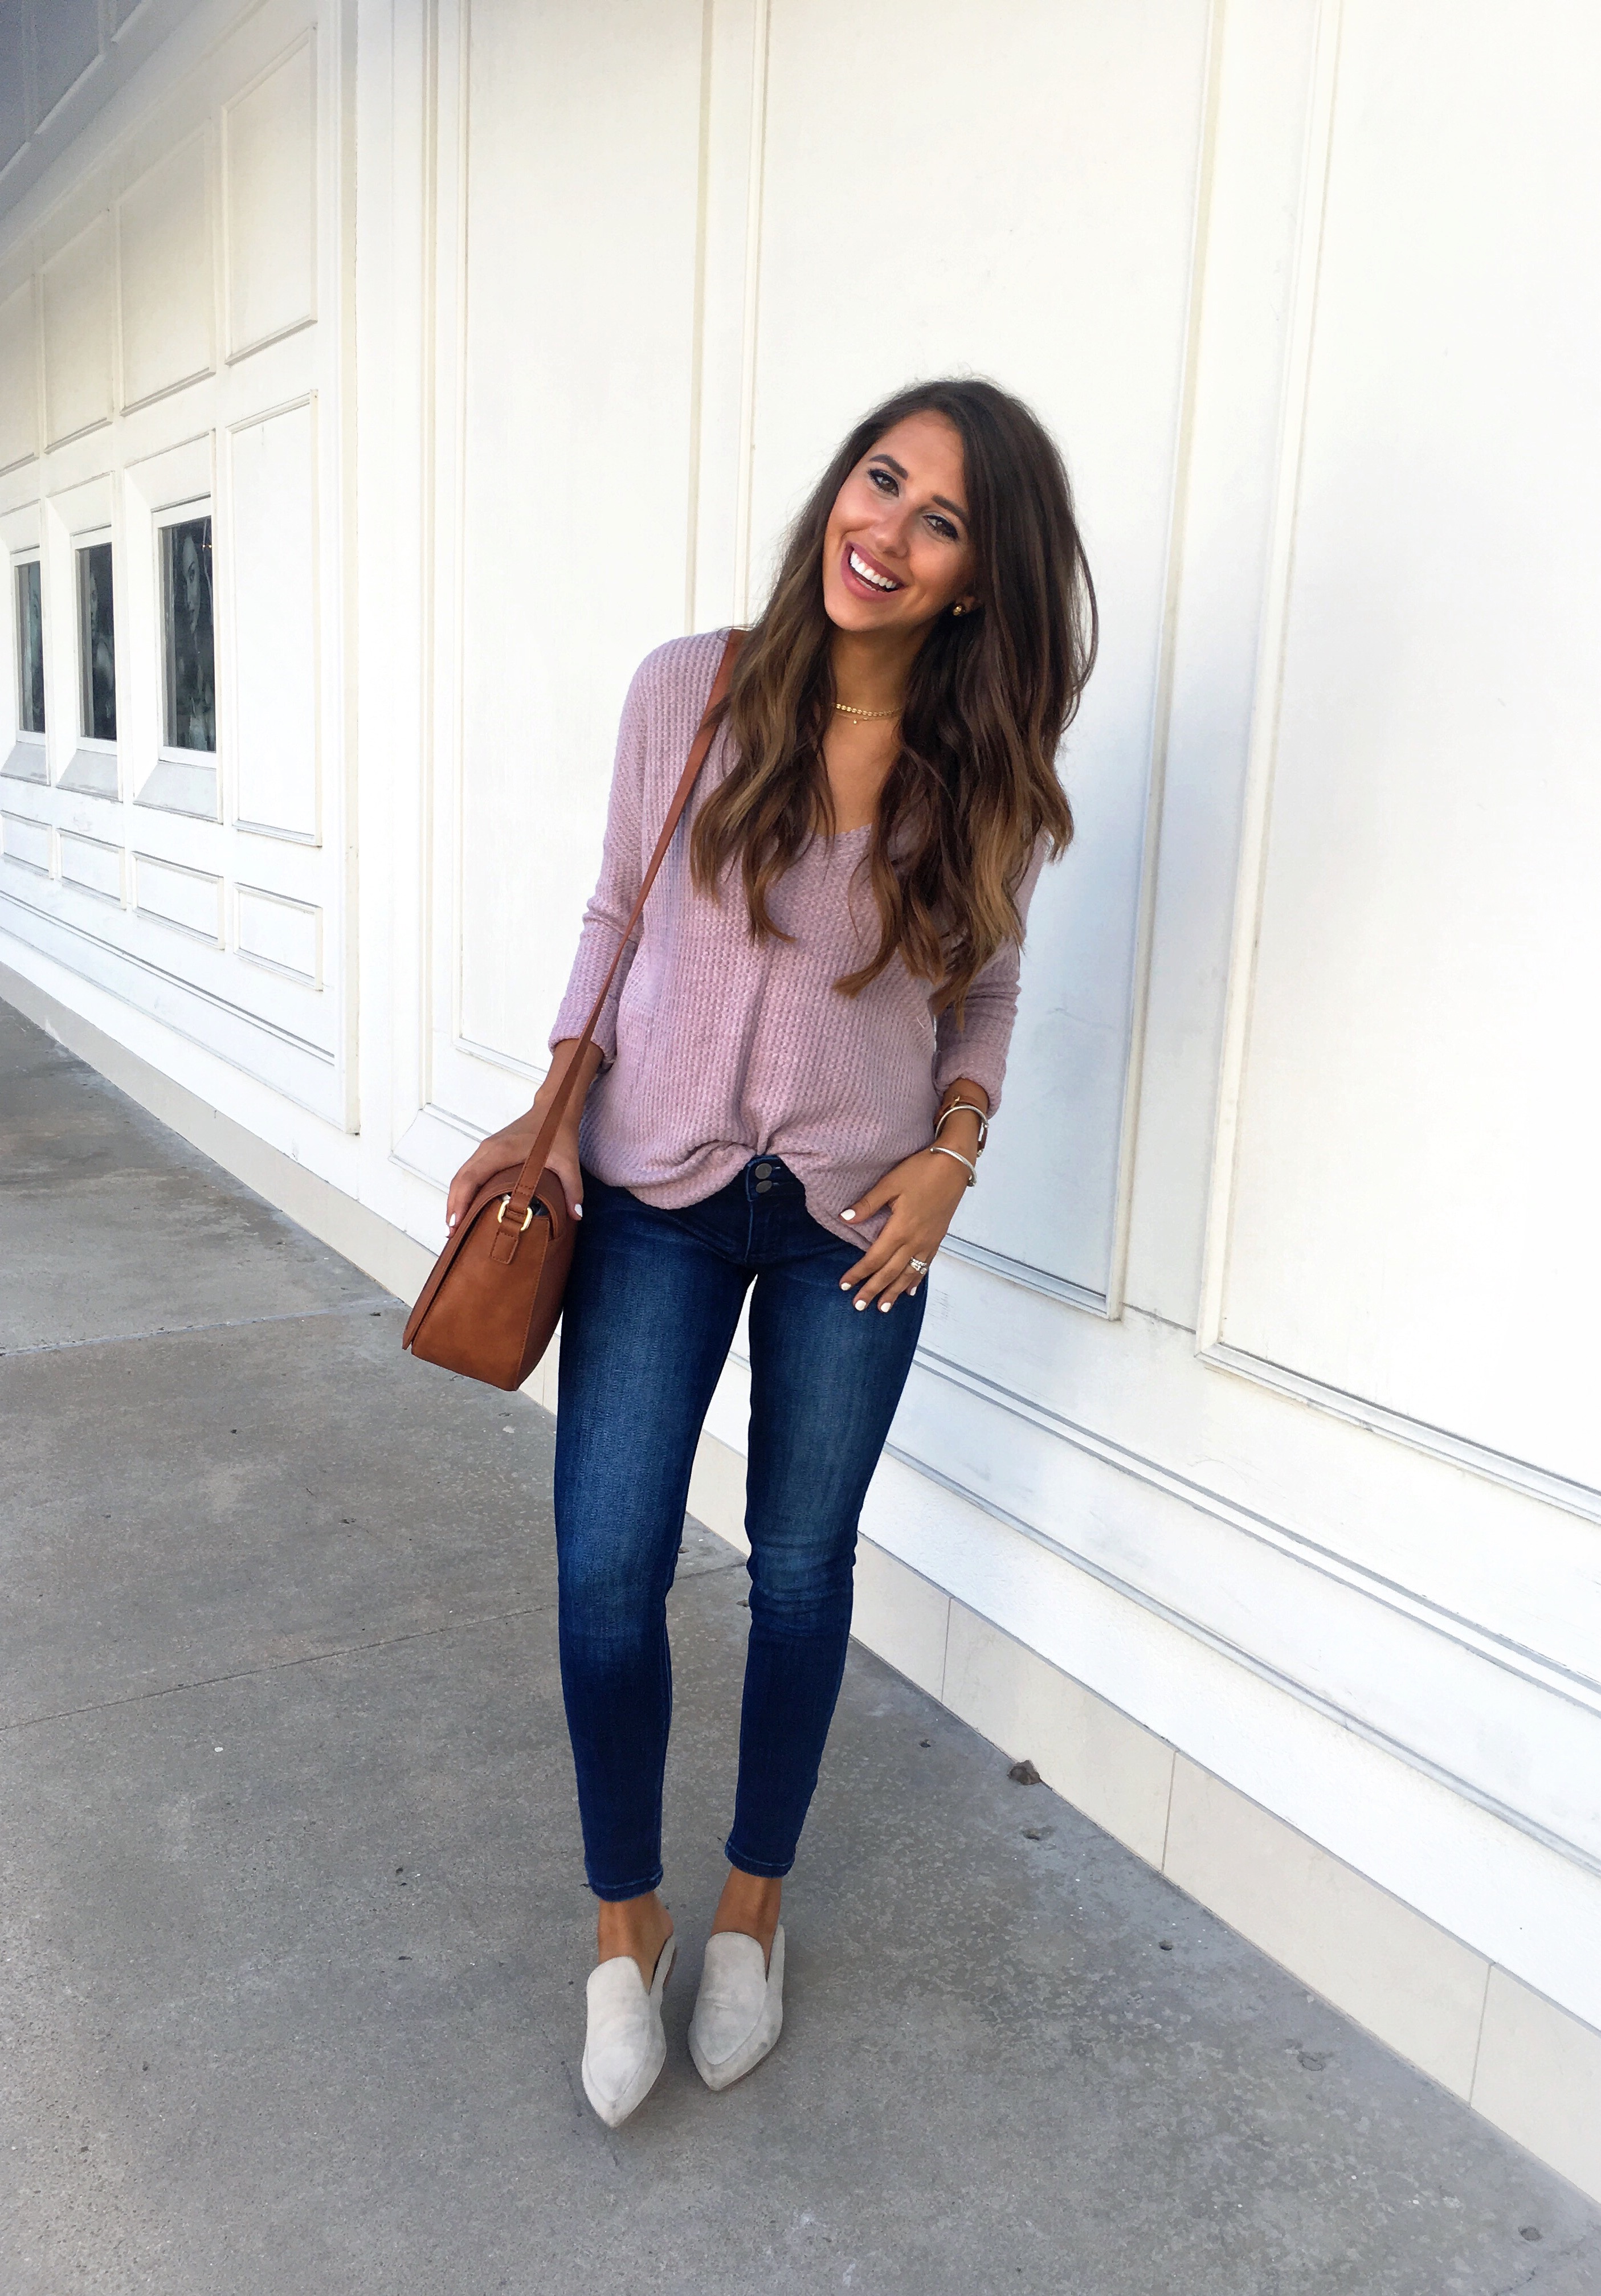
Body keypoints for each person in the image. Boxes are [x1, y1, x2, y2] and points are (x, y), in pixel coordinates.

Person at [446, 377, 1096, 2127]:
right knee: (607, 1570)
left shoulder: (981, 773)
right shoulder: (691, 688)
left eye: (940, 520)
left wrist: (954, 1154)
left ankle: (750, 1907)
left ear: (978, 577)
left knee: (801, 1572)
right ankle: (626, 1919)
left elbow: (985, 990)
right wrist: (548, 1109)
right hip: (651, 1189)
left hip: (853, 1222)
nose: (886, 530)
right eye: (880, 481)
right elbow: (613, 906)